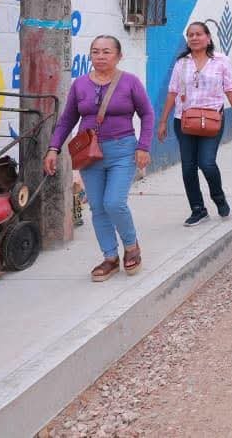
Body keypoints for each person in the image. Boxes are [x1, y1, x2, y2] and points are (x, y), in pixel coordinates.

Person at [45, 35, 154, 282]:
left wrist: (143, 146)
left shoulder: (130, 82)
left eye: (106, 52)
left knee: (114, 202)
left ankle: (131, 246)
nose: (100, 56)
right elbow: (67, 120)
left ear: (118, 55)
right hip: (89, 153)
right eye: (95, 52)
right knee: (97, 207)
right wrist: (53, 148)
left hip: (122, 149)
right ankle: (110, 258)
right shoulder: (80, 85)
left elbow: (147, 114)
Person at [157, 22, 232, 226]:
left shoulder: (221, 61)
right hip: (184, 121)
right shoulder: (182, 63)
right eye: (190, 35)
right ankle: (198, 209)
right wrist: (163, 121)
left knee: (206, 162)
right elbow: (172, 91)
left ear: (208, 37)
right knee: (188, 167)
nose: (194, 38)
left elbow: (230, 88)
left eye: (198, 34)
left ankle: (218, 197)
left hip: (212, 119)